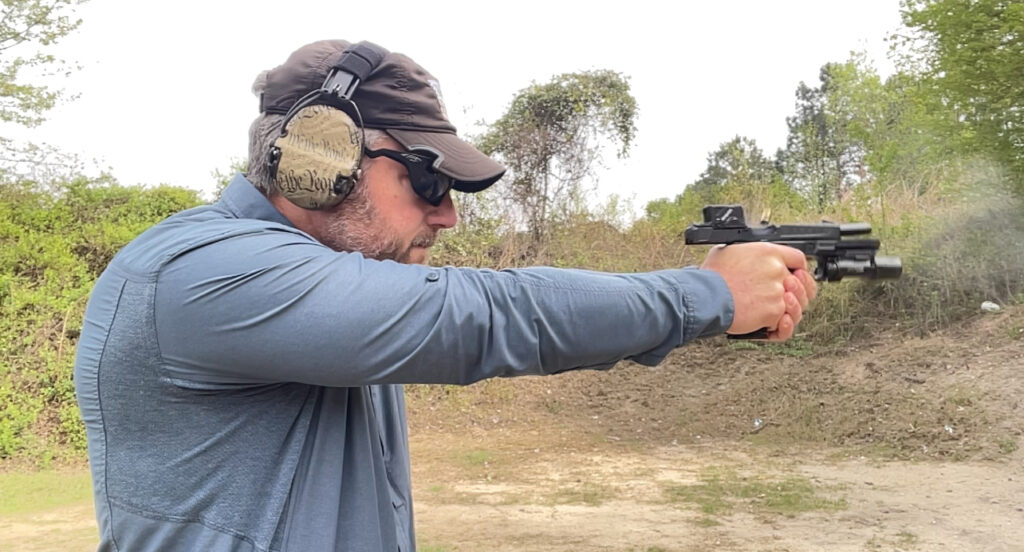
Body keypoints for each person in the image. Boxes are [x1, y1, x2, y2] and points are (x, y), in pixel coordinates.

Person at [74, 39, 816, 552]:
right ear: (317, 157)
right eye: (427, 180)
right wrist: (707, 294)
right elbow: (484, 316)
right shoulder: (200, 274)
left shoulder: (322, 277)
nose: (447, 213)